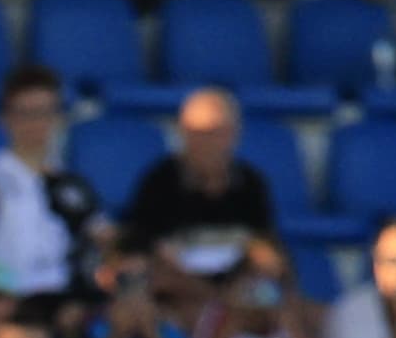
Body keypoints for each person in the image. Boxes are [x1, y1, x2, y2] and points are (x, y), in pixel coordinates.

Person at [0, 65, 106, 315]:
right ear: (5, 119)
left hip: (68, 300)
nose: (35, 124)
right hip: (15, 302)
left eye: (44, 113)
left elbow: (104, 235)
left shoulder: (72, 182)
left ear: (57, 117)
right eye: (25, 114)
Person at [117, 89, 281, 317]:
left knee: (289, 308)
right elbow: (138, 250)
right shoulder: (159, 182)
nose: (205, 144)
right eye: (196, 134)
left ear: (233, 134)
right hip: (177, 294)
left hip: (238, 289)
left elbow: (265, 248)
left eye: (215, 134)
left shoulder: (250, 184)